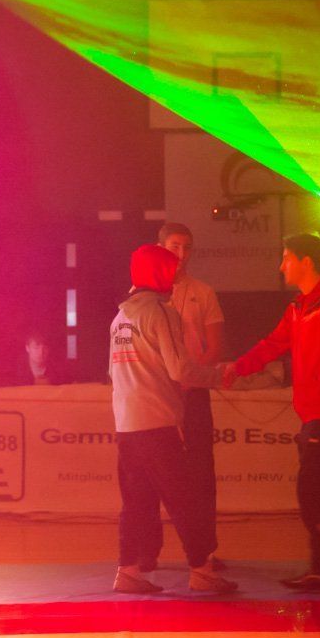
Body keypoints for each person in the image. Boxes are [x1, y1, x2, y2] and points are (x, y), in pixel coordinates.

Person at [223, 232, 320, 591]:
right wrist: (238, 367)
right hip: (313, 414)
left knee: (312, 490)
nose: (281, 266)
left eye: (286, 257)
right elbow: (273, 344)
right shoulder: (298, 308)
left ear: (306, 261)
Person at [109, 244, 236, 596]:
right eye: (171, 269)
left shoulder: (119, 319)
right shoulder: (160, 313)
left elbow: (114, 373)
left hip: (126, 425)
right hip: (157, 423)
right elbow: (180, 369)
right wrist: (219, 375)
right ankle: (202, 570)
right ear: (158, 272)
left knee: (136, 502)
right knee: (186, 499)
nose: (176, 277)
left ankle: (128, 571)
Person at [136, 222, 225, 574]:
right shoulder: (143, 297)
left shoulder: (203, 292)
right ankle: (146, 552)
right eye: (175, 246)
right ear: (160, 248)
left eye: (187, 247)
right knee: (148, 473)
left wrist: (190, 380)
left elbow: (214, 347)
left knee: (201, 472)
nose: (182, 254)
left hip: (193, 393)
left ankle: (206, 552)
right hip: (156, 396)